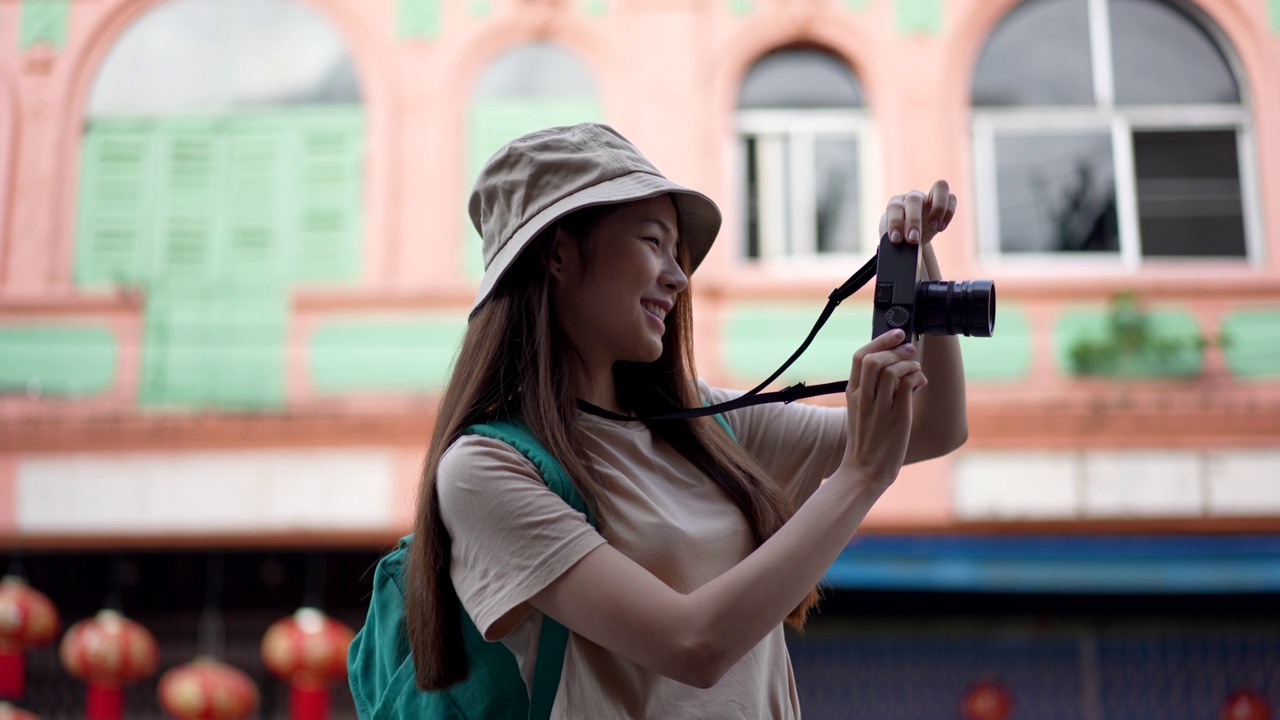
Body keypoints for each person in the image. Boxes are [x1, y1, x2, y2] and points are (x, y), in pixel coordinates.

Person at [403, 122, 968, 718]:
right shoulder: (486, 469)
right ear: (559, 255)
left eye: (679, 253)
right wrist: (859, 479)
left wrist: (915, 257)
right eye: (653, 242)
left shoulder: (706, 427)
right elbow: (693, 645)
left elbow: (934, 427)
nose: (678, 276)